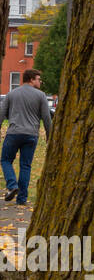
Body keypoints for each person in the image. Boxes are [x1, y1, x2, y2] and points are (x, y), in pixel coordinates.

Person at [1, 69, 53, 207]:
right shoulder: (41, 96)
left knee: (5, 160)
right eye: (38, 79)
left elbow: (1, 114)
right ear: (31, 79)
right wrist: (49, 135)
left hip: (13, 133)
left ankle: (12, 185)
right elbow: (47, 118)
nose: (40, 82)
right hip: (31, 135)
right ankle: (22, 199)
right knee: (26, 165)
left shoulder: (11, 94)